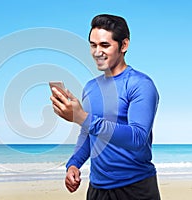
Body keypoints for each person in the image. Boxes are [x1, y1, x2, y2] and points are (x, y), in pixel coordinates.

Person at [50, 14, 161, 200]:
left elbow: (137, 138)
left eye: (104, 45)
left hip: (135, 188)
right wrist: (74, 164)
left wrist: (82, 117)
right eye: (93, 45)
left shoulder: (140, 84)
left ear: (124, 45)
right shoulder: (91, 88)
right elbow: (88, 133)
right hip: (97, 189)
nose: (96, 52)